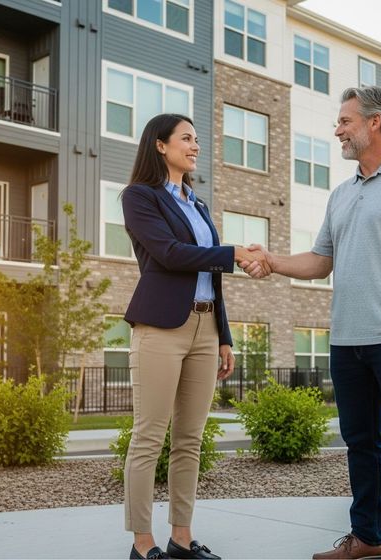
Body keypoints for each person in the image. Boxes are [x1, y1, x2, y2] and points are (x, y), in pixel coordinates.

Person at [242, 87, 381, 559]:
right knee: (360, 443)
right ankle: (368, 538)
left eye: (344, 121)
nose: (337, 130)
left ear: (374, 123)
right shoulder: (341, 194)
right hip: (347, 340)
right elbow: (322, 262)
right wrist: (272, 261)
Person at [121, 113, 268, 560]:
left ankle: (181, 539)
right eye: (186, 138)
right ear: (160, 145)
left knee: (190, 439)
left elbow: (210, 275)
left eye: (196, 138)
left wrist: (223, 336)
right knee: (149, 436)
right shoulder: (139, 197)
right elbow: (168, 253)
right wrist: (232, 253)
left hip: (206, 326)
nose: (195, 145)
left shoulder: (198, 205)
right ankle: (143, 545)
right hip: (161, 327)